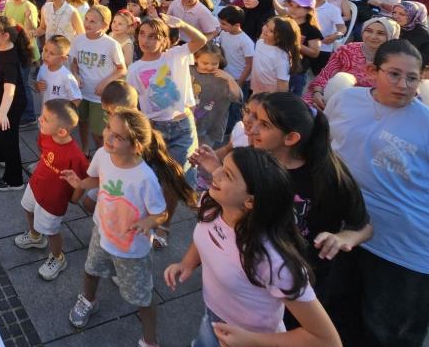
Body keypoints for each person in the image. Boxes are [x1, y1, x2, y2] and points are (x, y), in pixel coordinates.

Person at [165, 148, 341, 347]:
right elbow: (209, 236)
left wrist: (250, 340)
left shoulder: (274, 261)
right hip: (213, 319)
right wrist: (187, 263)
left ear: (250, 201)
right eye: (222, 166)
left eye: (227, 174)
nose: (216, 172)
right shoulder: (213, 207)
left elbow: (327, 340)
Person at [326, 40, 429, 347]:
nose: (403, 85)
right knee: (340, 321)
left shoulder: (425, 123)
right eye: (394, 74)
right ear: (372, 71)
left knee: (389, 335)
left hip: (403, 249)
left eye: (412, 78)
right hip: (345, 233)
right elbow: (326, 147)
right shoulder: (346, 100)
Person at [241, 93, 372, 334]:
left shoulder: (329, 177)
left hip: (303, 282)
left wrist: (343, 237)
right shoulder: (254, 162)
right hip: (255, 272)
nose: (252, 127)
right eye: (254, 117)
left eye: (264, 125)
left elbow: (363, 226)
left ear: (291, 138)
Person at [63, 108, 191, 345]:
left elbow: (161, 213)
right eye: (108, 128)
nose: (108, 136)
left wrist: (148, 222)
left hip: (132, 250)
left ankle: (150, 340)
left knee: (142, 298)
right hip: (102, 233)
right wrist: (80, 183)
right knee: (91, 270)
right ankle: (88, 300)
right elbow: (98, 179)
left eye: (118, 136)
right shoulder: (102, 154)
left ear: (135, 147)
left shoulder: (145, 178)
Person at [14, 99, 89, 280]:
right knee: (28, 208)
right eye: (42, 115)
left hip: (53, 200)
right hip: (36, 185)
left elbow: (82, 180)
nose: (40, 119)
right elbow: (43, 152)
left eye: (45, 119)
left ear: (62, 131)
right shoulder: (46, 134)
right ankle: (35, 237)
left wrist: (74, 198)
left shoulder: (75, 156)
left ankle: (57, 257)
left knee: (51, 231)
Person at [127, 15, 207, 185]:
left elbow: (201, 40)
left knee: (184, 178)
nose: (145, 40)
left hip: (182, 127)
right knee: (155, 178)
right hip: (154, 128)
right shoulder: (134, 69)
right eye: (142, 34)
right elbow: (134, 103)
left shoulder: (175, 55)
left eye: (153, 36)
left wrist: (182, 24)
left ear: (164, 39)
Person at [0, 16, 34, 192]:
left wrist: (3, 112)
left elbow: (10, 90)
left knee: (8, 139)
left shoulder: (10, 59)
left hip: (11, 103)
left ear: (5, 36)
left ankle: (14, 179)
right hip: (0, 98)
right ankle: (0, 155)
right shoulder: (1, 45)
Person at [306, 17, 399, 108]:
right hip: (333, 99)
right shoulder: (347, 50)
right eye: (369, 31)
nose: (373, 36)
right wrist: (317, 92)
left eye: (381, 33)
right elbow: (325, 75)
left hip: (371, 107)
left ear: (391, 36)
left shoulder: (395, 61)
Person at [70, 6, 127, 154]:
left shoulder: (111, 44)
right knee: (82, 122)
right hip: (81, 93)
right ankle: (84, 149)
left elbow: (122, 69)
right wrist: (75, 74)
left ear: (105, 25)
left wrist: (105, 82)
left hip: (100, 96)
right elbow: (74, 62)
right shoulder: (78, 40)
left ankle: (103, 155)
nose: (87, 23)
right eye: (86, 19)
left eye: (93, 21)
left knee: (98, 133)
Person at [190, 44, 241, 148]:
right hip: (187, 123)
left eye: (214, 64)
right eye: (205, 63)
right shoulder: (188, 71)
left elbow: (237, 97)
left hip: (210, 127)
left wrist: (230, 79)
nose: (209, 67)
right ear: (195, 59)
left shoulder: (223, 78)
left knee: (202, 153)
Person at [251, 16, 301, 95]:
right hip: (256, 91)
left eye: (271, 31)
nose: (265, 30)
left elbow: (283, 86)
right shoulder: (260, 42)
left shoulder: (281, 57)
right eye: (267, 25)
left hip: (270, 97)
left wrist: (276, 100)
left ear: (280, 38)